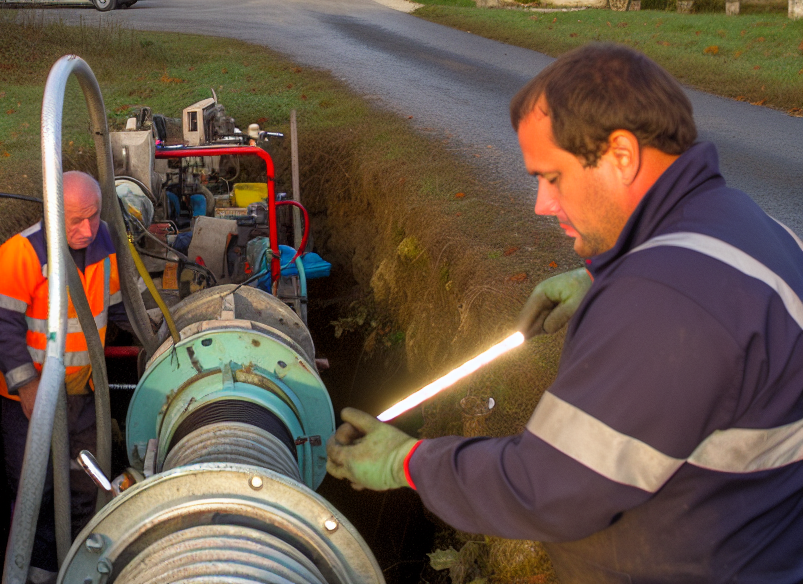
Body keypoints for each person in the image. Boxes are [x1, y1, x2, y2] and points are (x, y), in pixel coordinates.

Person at [326, 44, 803, 583]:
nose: (541, 204)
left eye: (552, 177)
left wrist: (407, 463)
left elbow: (548, 488)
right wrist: (607, 276)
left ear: (622, 155)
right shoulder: (749, 225)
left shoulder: (662, 303)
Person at [0, 171, 129, 584]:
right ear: (51, 212)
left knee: (87, 485)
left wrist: (158, 334)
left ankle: (81, 566)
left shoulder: (105, 243)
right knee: (36, 491)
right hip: (29, 404)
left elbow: (120, 308)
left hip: (84, 396)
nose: (87, 229)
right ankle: (36, 574)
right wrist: (29, 387)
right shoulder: (21, 253)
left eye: (94, 216)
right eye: (75, 220)